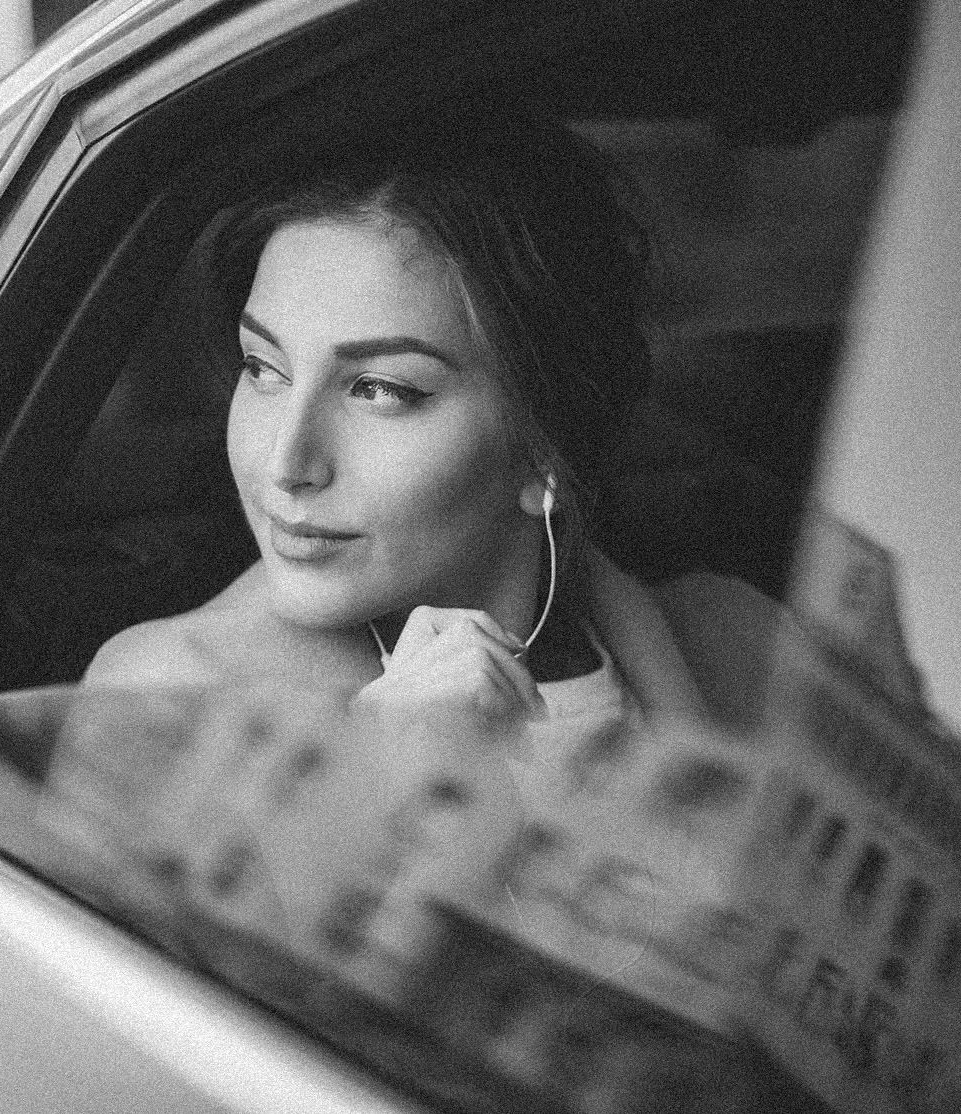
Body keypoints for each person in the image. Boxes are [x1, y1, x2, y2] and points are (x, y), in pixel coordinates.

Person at [83, 115, 705, 734]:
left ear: (546, 445)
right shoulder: (163, 703)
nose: (285, 465)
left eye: (379, 389)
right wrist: (380, 777)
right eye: (263, 367)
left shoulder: (719, 644)